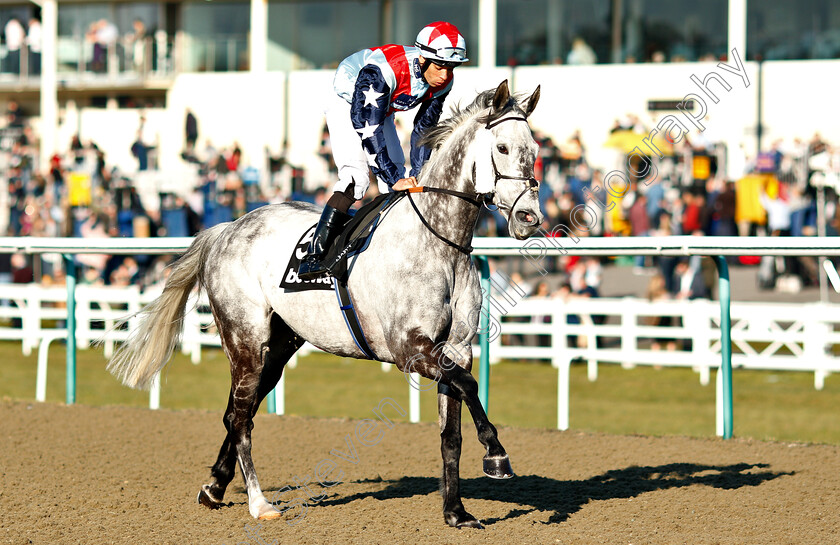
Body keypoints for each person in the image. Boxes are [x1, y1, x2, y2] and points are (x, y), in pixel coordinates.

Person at [297, 21, 468, 280]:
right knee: (357, 179)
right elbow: (366, 124)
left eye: (451, 66)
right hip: (347, 103)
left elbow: (424, 129)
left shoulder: (444, 82)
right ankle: (314, 256)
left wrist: (418, 175)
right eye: (440, 65)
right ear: (422, 59)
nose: (445, 75)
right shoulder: (382, 72)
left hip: (381, 108)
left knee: (403, 179)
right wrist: (392, 177)